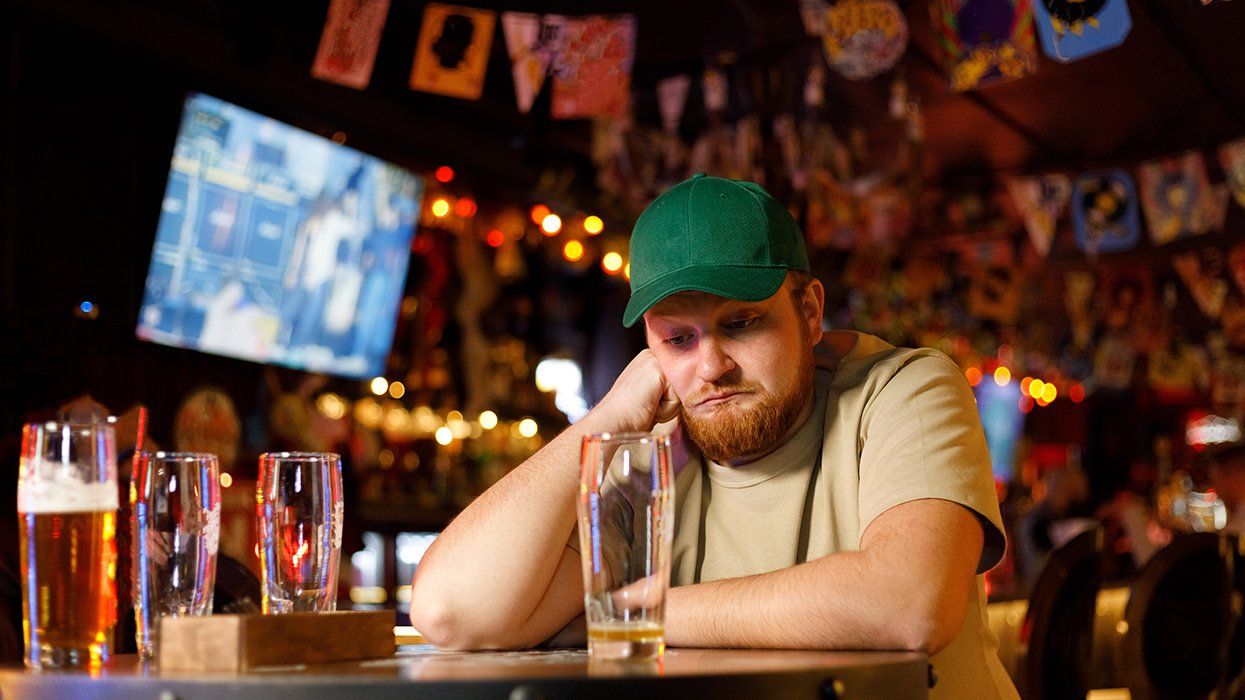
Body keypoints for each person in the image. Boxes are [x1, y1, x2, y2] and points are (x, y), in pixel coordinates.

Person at [410, 174, 1017, 698]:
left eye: (742, 323)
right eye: (678, 339)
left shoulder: (907, 389)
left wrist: (627, 613)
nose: (711, 367)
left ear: (809, 314)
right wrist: (605, 421)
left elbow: (909, 604)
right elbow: (450, 611)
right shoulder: (648, 456)